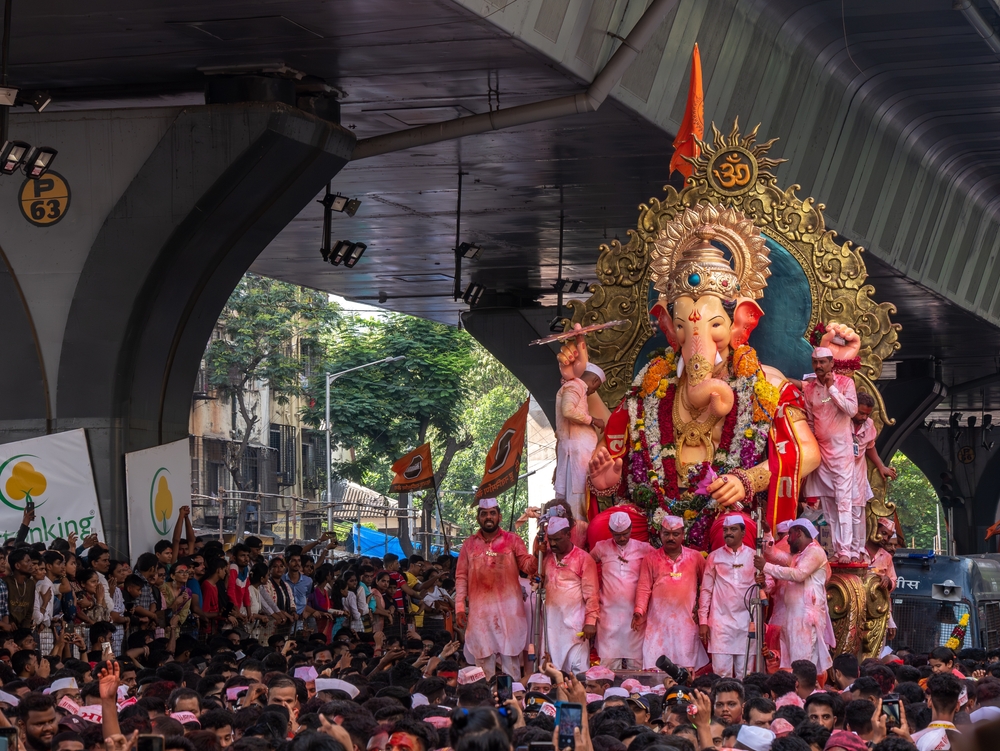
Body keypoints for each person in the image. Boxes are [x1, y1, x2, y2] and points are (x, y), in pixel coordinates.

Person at [455, 497, 537, 680]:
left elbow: (528, 567)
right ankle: (486, 704)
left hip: (508, 615)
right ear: (478, 518)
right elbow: (461, 577)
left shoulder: (513, 540)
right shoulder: (469, 545)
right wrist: (460, 607)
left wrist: (539, 549)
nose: (488, 517)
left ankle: (513, 704)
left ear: (499, 516)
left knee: (511, 667)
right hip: (480, 616)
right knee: (483, 667)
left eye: (492, 513)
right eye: (484, 514)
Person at [802, 342, 860, 563]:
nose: (818, 366)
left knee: (843, 502)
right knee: (828, 504)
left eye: (822, 362)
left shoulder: (845, 383)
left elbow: (852, 410)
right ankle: (837, 550)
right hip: (822, 453)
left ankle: (845, 550)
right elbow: (809, 420)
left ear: (831, 363)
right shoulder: (809, 389)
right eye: (815, 362)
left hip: (842, 453)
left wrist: (832, 389)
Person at [755, 519, 834, 673]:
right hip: (793, 617)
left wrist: (765, 566)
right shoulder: (800, 556)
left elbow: (798, 575)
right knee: (792, 665)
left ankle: (804, 696)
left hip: (805, 617)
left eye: (789, 535)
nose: (788, 540)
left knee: (801, 666)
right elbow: (774, 555)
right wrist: (767, 534)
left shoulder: (815, 552)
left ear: (798, 533)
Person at [632, 515, 708, 672]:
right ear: (660, 534)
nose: (671, 538)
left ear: (683, 535)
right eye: (666, 533)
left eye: (675, 534)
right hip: (658, 623)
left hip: (686, 623)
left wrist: (700, 612)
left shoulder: (695, 558)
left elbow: (707, 586)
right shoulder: (651, 558)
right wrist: (639, 610)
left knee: (686, 669)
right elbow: (644, 587)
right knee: (657, 668)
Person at [699, 514, 771, 677]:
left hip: (747, 622)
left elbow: (770, 585)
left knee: (745, 674)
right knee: (721, 674)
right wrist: (703, 621)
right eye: (725, 530)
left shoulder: (755, 556)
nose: (728, 533)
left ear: (743, 533)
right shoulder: (714, 557)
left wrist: (763, 582)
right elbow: (706, 591)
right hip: (721, 624)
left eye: (733, 529)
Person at [588, 510, 653, 667]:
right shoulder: (601, 548)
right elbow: (586, 564)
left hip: (635, 614)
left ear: (631, 529)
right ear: (610, 532)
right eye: (617, 535)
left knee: (637, 662)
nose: (622, 538)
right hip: (609, 615)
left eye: (625, 533)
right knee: (608, 663)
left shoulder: (645, 548)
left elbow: (659, 565)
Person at [554, 342, 606, 521]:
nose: (593, 391)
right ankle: (577, 543)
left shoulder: (574, 387)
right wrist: (593, 420)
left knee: (571, 505)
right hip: (576, 455)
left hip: (573, 453)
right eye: (596, 387)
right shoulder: (576, 386)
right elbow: (568, 411)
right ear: (594, 381)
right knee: (576, 508)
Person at [540, 516, 599, 673]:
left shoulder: (584, 559)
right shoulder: (546, 558)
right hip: (551, 626)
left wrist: (591, 622)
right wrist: (536, 554)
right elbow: (536, 576)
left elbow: (592, 594)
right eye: (550, 539)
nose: (553, 544)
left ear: (568, 535)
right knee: (550, 672)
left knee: (577, 671)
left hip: (575, 626)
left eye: (557, 539)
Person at [851, 392, 897, 562]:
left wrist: (881, 466)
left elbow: (870, 447)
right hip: (838, 473)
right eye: (861, 413)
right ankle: (842, 550)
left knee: (857, 515)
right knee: (839, 514)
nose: (863, 417)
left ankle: (855, 551)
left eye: (867, 414)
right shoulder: (840, 420)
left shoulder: (869, 425)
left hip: (858, 475)